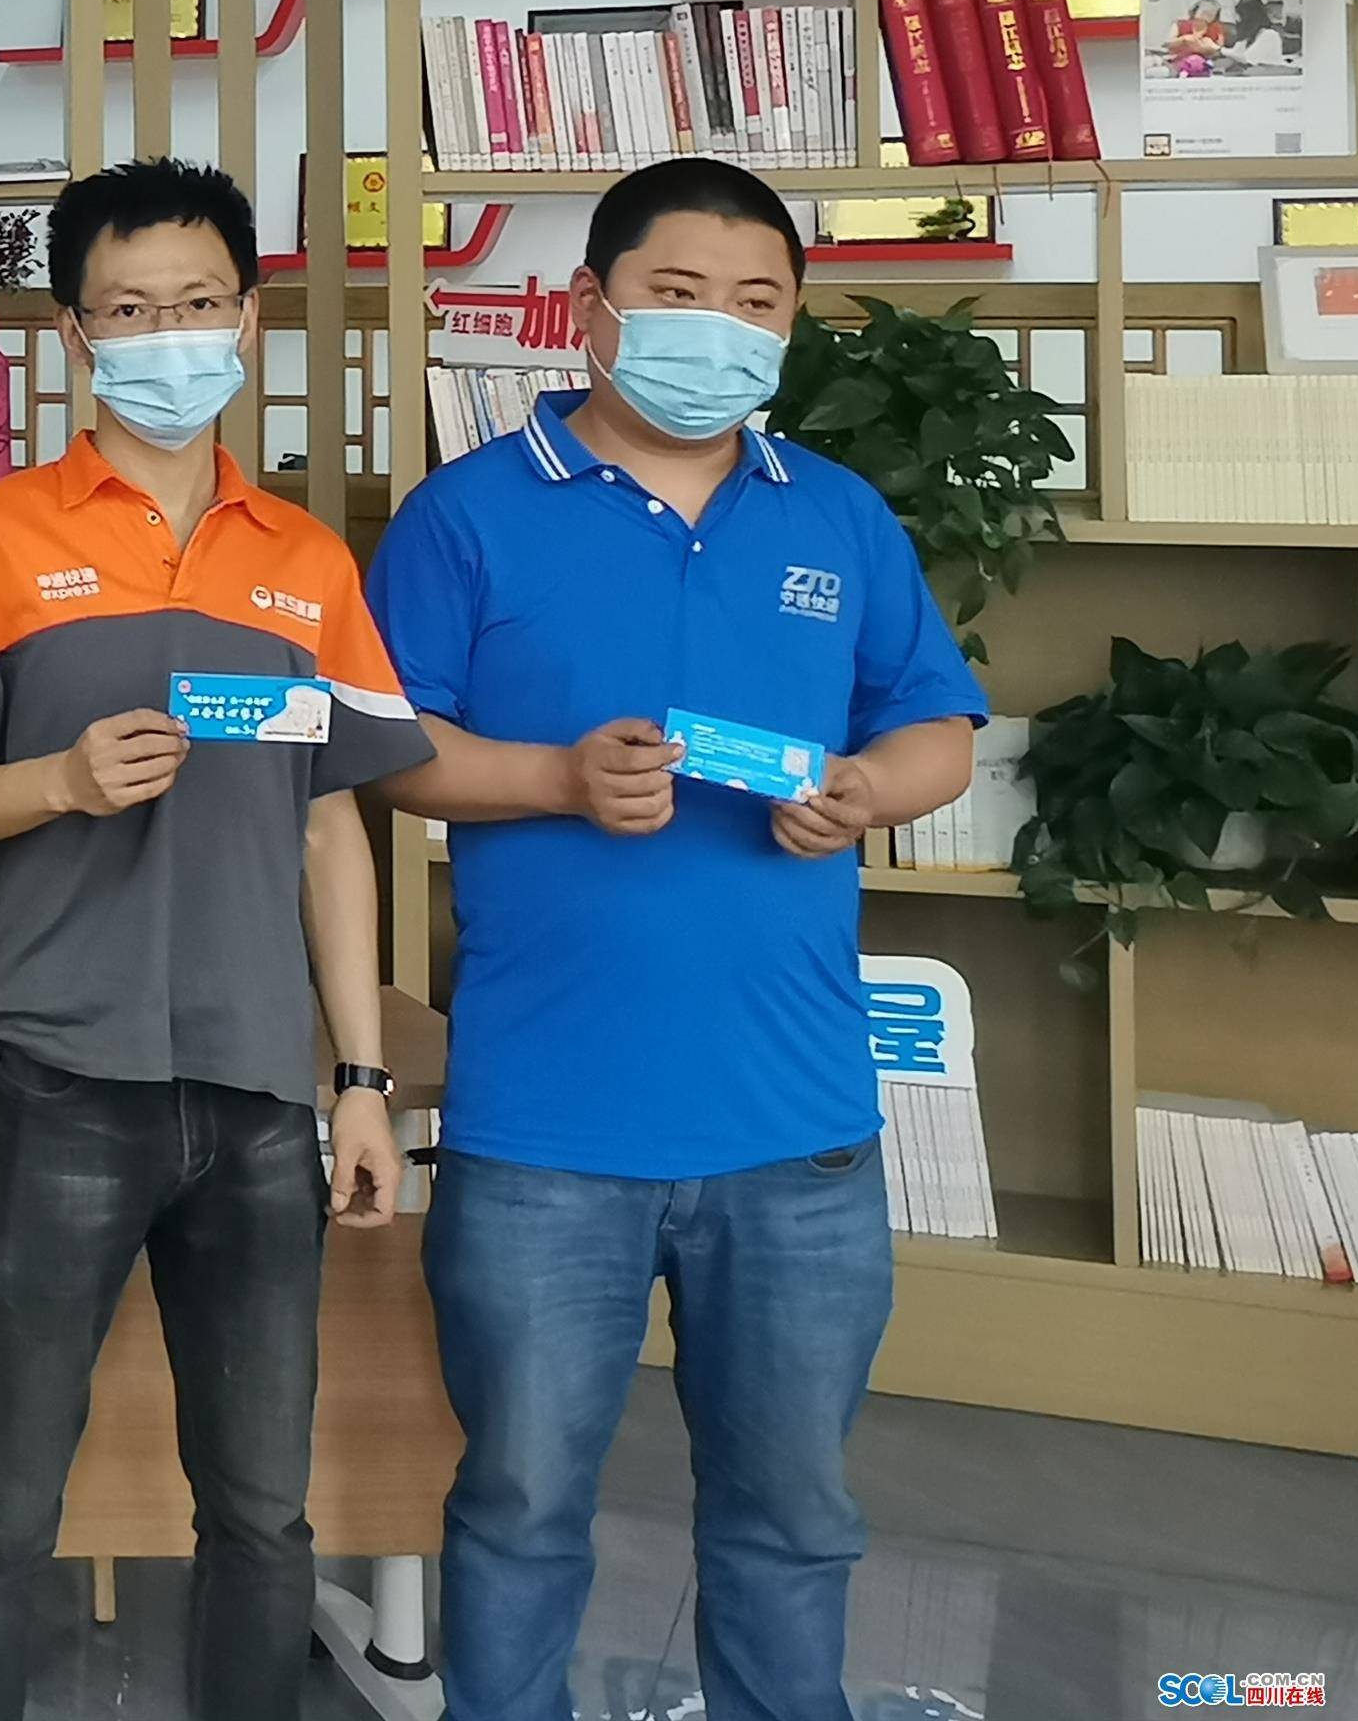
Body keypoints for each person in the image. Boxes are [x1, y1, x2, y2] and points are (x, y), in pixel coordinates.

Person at [365, 158, 979, 1721]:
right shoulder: (467, 515)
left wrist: (866, 791)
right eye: (679, 293)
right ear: (593, 307)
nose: (719, 327)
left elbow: (938, 730)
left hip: (797, 1133)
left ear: (791, 327)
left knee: (794, 1520)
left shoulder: (837, 515)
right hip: (543, 1131)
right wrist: (556, 780)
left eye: (757, 302)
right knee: (518, 1509)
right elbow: (390, 750)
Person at [0, 157, 430, 1720]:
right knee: (3, 1501)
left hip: (261, 1094)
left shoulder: (306, 560)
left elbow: (332, 826)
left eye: (198, 303)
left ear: (247, 320)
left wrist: (360, 1082)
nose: (168, 336)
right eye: (129, 310)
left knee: (263, 1510)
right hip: (60, 1076)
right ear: (76, 334)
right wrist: (58, 782)